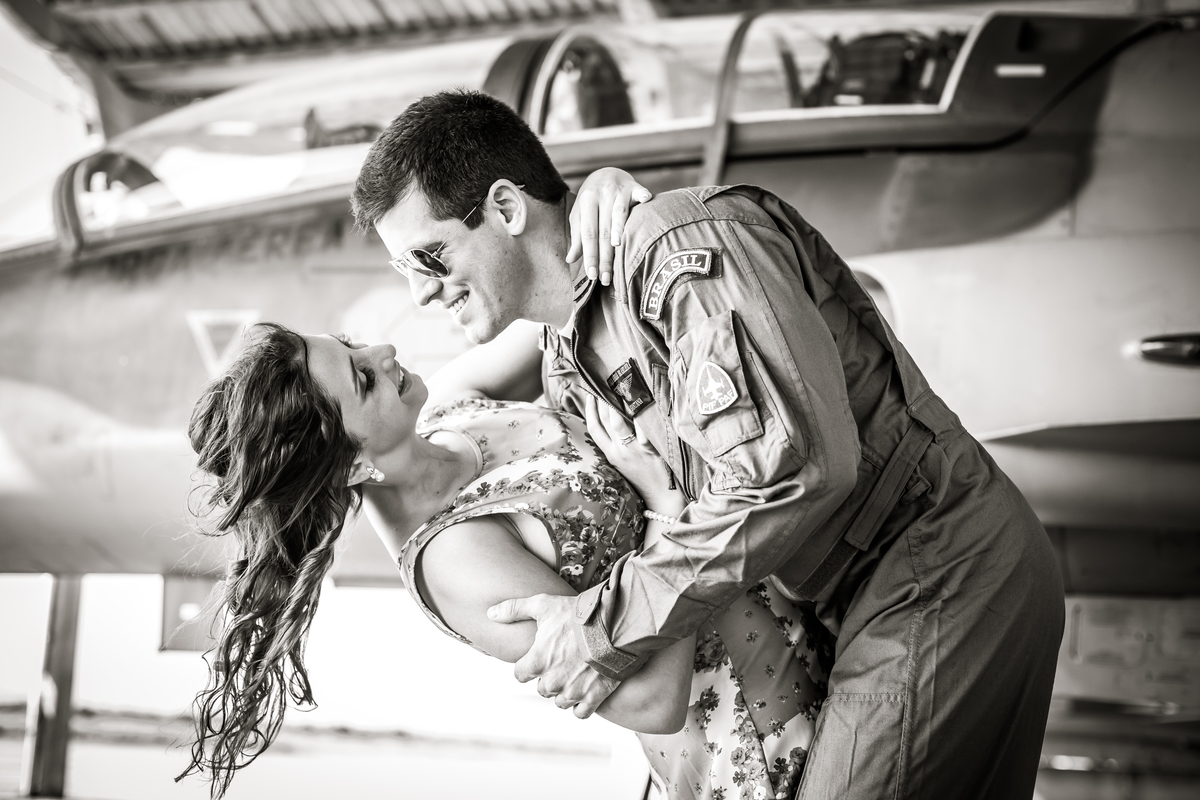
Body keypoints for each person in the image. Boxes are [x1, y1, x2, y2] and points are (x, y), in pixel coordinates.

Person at [350, 88, 1066, 799]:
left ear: (506, 209)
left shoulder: (683, 246)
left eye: (431, 257)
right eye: (405, 270)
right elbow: (390, 450)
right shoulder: (567, 363)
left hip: (932, 564)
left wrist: (603, 629)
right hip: (845, 610)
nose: (421, 292)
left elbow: (797, 471)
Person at [180, 321, 832, 800]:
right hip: (765, 747)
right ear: (353, 463)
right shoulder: (454, 559)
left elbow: (558, 291)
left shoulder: (457, 404)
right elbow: (652, 702)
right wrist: (666, 502)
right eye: (362, 376)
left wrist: (604, 200)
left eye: (350, 342)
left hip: (809, 620)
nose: (382, 351)